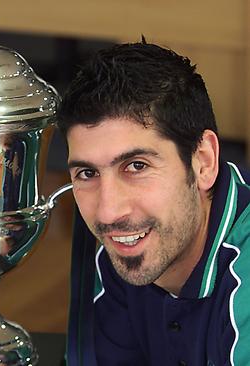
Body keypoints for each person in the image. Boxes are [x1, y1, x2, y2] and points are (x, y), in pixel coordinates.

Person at [58, 41, 250, 365]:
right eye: (88, 173)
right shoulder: (123, 254)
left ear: (203, 162)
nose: (108, 212)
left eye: (136, 166)